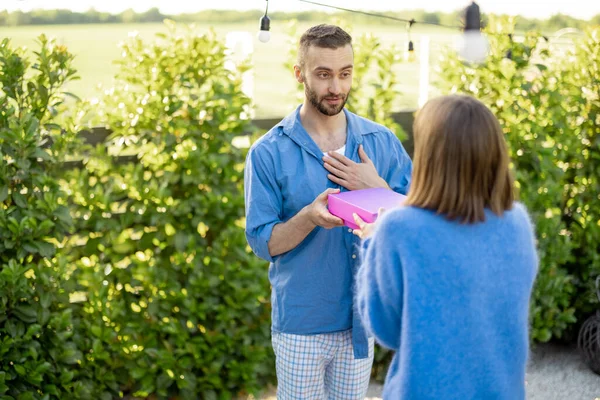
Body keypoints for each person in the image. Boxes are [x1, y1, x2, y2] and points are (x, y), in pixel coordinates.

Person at [244, 24, 412, 399]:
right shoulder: (268, 153)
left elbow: (420, 221)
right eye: (323, 75)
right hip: (301, 324)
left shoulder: (381, 142)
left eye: (345, 73)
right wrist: (308, 218)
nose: (336, 87)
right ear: (299, 74)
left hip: (360, 322)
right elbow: (262, 243)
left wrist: (378, 188)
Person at [353, 94, 539, 400]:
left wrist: (372, 244)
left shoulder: (398, 229)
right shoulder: (518, 223)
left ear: (430, 157)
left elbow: (385, 329)